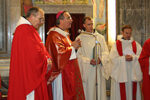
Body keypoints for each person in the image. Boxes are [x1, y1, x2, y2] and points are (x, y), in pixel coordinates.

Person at [8, 7, 52, 100]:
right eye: (40, 19)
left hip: (31, 72)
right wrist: (46, 60)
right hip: (28, 76)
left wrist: (47, 58)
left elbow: (39, 48)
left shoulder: (29, 29)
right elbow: (32, 54)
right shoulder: (24, 29)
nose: (41, 22)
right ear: (31, 16)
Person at [46, 11, 85, 100]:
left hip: (69, 72)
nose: (71, 20)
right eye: (68, 18)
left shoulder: (64, 35)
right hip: (61, 75)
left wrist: (74, 46)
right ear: (61, 20)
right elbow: (59, 55)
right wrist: (72, 47)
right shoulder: (54, 35)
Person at [76, 17, 110, 100]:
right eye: (88, 24)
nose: (91, 26)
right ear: (84, 25)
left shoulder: (100, 37)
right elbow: (78, 57)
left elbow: (106, 53)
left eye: (92, 24)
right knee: (89, 93)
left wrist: (100, 59)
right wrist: (88, 61)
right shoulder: (79, 39)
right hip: (87, 71)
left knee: (99, 93)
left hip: (98, 70)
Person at [110, 25, 142, 100]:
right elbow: (112, 59)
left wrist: (133, 58)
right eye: (126, 33)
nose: (128, 35)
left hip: (132, 74)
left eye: (130, 33)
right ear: (122, 32)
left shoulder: (136, 45)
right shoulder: (116, 45)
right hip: (121, 74)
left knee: (132, 92)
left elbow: (141, 57)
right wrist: (123, 59)